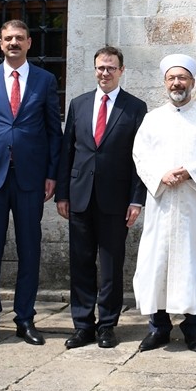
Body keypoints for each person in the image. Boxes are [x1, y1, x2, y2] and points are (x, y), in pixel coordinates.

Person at [0, 19, 62, 348]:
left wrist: (52, 174)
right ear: (0, 43)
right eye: (8, 38)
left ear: (29, 43)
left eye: (19, 38)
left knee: (29, 250)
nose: (13, 43)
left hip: (31, 177)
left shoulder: (45, 80)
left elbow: (54, 131)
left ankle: (25, 318)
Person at [56, 46, 148, 350]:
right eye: (100, 68)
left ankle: (107, 324)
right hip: (80, 197)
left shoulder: (135, 108)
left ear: (121, 71)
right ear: (94, 70)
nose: (104, 73)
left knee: (111, 265)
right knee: (80, 263)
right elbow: (68, 151)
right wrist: (62, 194)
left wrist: (137, 199)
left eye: (110, 68)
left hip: (115, 199)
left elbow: (140, 159)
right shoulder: (79, 104)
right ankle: (83, 325)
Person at [131, 54, 196, 352]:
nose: (176, 83)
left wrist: (189, 172)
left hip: (194, 206)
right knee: (155, 264)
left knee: (193, 263)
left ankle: (193, 329)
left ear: (192, 82)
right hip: (161, 204)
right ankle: (158, 327)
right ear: (164, 83)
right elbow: (139, 155)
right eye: (171, 78)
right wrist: (162, 175)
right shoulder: (152, 119)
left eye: (182, 78)